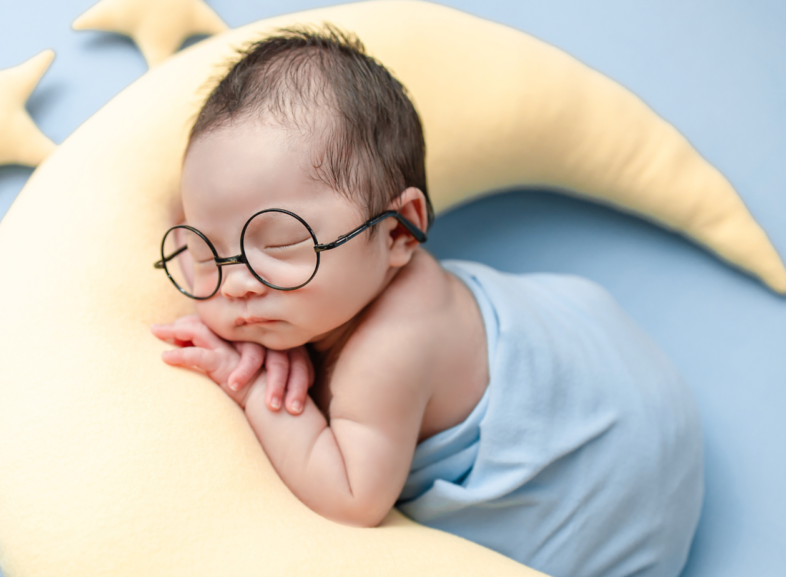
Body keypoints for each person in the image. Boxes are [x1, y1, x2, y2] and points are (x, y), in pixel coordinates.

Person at [150, 26, 703, 577]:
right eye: (207, 251)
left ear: (398, 233)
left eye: (281, 244)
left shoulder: (390, 347)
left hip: (609, 486)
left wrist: (250, 390)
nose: (237, 282)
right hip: (610, 363)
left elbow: (351, 497)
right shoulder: (335, 297)